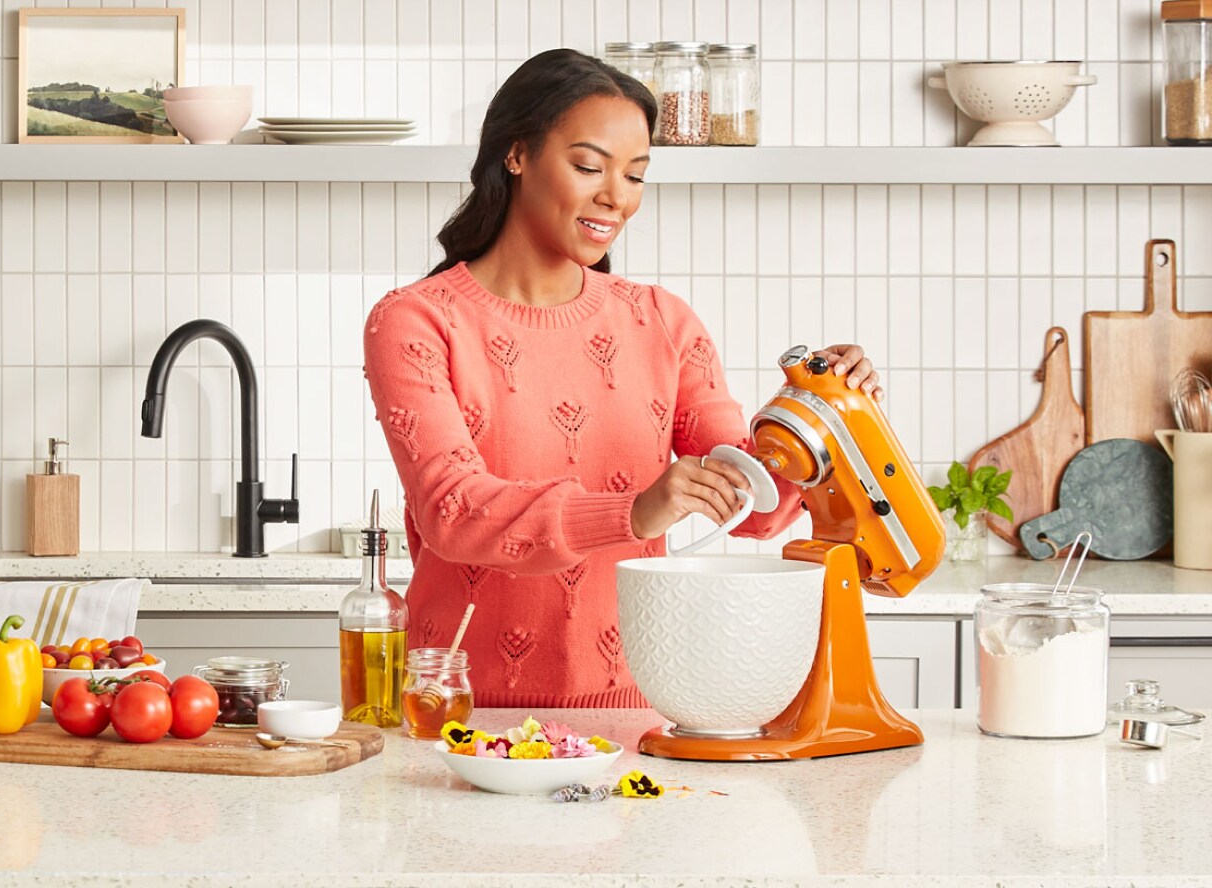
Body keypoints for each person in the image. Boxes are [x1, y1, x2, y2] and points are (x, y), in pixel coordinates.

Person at [360, 49, 883, 709]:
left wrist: (821, 412)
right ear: (515, 154)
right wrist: (634, 511)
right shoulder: (415, 321)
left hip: (636, 713)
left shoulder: (663, 322)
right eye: (588, 166)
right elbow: (453, 511)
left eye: (636, 175)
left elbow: (754, 507)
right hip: (463, 715)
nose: (616, 197)